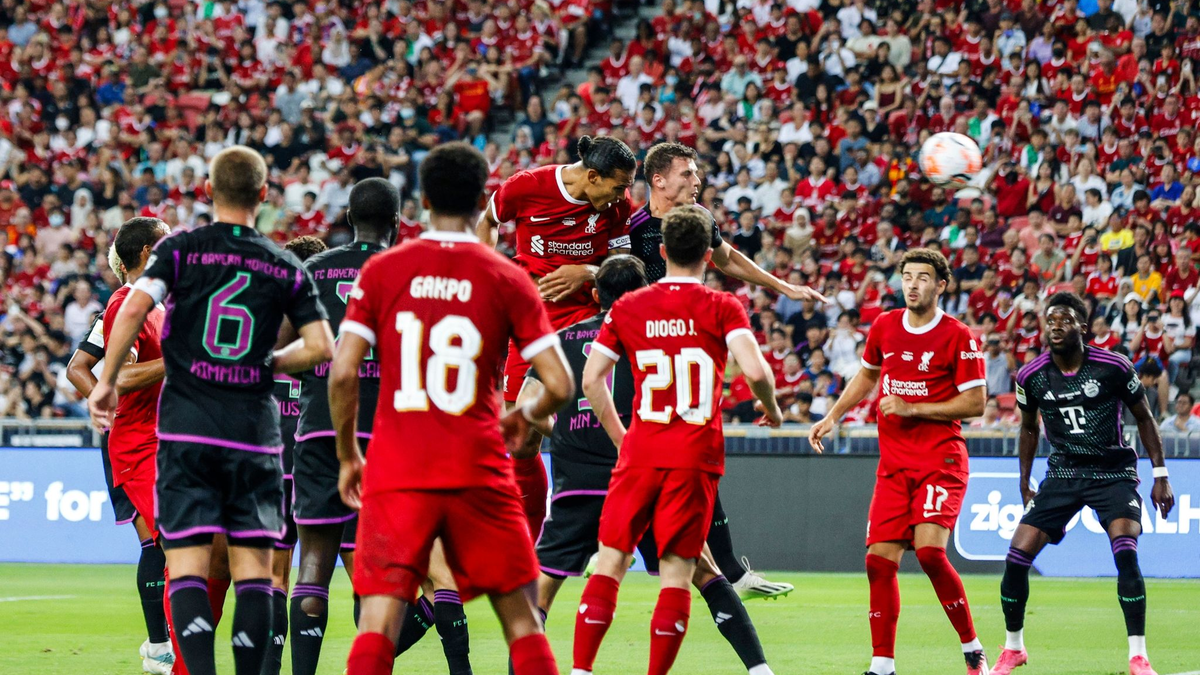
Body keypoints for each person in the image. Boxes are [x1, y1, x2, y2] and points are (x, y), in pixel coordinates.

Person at [88, 146, 336, 675]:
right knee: (251, 570)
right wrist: (265, 362)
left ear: (208, 192)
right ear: (265, 195)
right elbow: (321, 347)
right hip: (253, 434)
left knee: (188, 565)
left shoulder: (183, 250)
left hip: (187, 431)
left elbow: (134, 303)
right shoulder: (282, 263)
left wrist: (105, 381)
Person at [333, 141, 573, 675]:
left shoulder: (382, 271)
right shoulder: (507, 276)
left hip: (398, 466)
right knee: (523, 622)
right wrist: (518, 416)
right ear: (480, 197)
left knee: (378, 620)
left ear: (422, 198)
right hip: (479, 464)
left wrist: (350, 453)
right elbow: (558, 383)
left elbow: (344, 370)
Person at [519, 255, 778, 675]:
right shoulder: (651, 337)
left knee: (542, 591)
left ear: (596, 294)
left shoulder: (562, 341)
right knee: (704, 572)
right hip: (646, 471)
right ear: (641, 292)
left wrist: (563, 433)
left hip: (578, 482)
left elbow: (526, 408)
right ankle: (759, 668)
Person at [626, 140, 829, 599]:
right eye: (686, 174)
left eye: (697, 174)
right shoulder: (630, 229)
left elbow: (727, 258)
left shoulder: (700, 223)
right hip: (639, 362)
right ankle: (626, 554)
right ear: (658, 180)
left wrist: (785, 287)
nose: (696, 181)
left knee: (692, 457)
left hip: (686, 362)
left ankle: (724, 572)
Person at [808, 248, 990, 675]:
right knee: (878, 561)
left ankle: (972, 648)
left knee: (929, 554)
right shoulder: (886, 325)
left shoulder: (958, 335)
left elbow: (977, 403)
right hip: (894, 465)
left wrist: (914, 408)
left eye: (923, 277)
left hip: (940, 459)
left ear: (941, 285)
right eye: (907, 276)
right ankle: (882, 665)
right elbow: (868, 374)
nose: (912, 284)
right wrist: (833, 416)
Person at [997, 292, 1175, 675]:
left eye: (1064, 320)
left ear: (1082, 326)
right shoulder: (1031, 375)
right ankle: (1013, 649)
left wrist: (1161, 476)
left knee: (1125, 551)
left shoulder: (1113, 366)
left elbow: (1145, 418)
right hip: (1063, 472)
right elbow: (1028, 429)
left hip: (1113, 472)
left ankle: (1138, 656)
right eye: (1050, 320)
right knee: (1016, 557)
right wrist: (1024, 480)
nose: (1055, 326)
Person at [475, 134, 636, 539]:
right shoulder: (528, 187)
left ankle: (596, 511)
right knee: (523, 443)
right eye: (618, 186)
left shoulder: (617, 208)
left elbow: (625, 268)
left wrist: (588, 272)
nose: (623, 195)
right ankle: (529, 545)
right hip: (528, 320)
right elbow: (488, 222)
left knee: (582, 416)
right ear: (593, 177)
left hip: (584, 320)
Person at [66, 218, 174, 675]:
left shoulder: (156, 305)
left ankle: (161, 648)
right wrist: (104, 403)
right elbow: (105, 373)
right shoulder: (123, 303)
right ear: (149, 252)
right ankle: (164, 648)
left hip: (162, 435)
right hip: (136, 441)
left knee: (163, 545)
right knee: (167, 543)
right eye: (167, 243)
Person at [265, 234, 328, 675]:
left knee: (275, 579)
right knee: (328, 573)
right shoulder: (329, 327)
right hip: (320, 460)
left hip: (272, 467)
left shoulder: (263, 321)